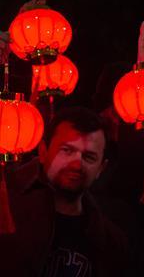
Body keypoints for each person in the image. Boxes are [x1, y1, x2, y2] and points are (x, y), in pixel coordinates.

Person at [0, 106, 129, 277]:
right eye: (66, 151)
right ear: (43, 152)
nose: (76, 165)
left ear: (101, 168)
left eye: (89, 157)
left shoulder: (109, 239)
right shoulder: (8, 213)